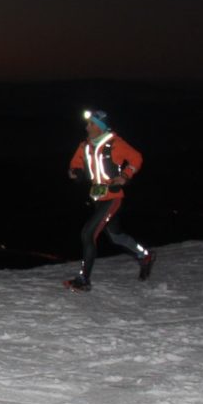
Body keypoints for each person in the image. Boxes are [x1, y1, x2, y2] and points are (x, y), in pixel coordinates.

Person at [65, 109, 154, 292]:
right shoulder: (85, 146)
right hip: (97, 198)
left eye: (91, 124)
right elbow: (75, 164)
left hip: (112, 199)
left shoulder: (115, 143)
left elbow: (136, 158)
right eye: (88, 123)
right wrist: (75, 172)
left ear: (100, 127)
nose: (87, 127)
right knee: (116, 236)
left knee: (87, 234)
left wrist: (124, 176)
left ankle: (84, 280)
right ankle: (144, 255)